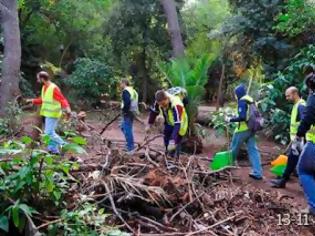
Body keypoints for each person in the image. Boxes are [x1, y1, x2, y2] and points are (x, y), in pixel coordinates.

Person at [26, 71, 71, 154]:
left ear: (42, 79)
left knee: (48, 133)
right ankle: (53, 150)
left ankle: (64, 145)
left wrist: (68, 109)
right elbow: (43, 100)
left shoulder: (53, 88)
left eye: (38, 78)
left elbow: (62, 99)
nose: (37, 80)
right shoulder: (44, 87)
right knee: (51, 132)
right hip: (47, 114)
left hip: (53, 114)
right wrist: (32, 100)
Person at [226, 84, 263, 180]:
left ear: (238, 93)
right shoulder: (250, 100)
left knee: (233, 148)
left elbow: (242, 117)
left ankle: (226, 167)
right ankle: (258, 172)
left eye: (235, 94)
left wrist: (230, 119)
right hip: (251, 128)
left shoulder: (242, 101)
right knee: (253, 150)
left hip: (242, 129)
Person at [271, 87, 306, 188]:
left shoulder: (301, 106)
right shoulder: (297, 105)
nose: (287, 98)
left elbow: (305, 122)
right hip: (297, 139)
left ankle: (284, 180)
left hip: (300, 139)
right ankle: (284, 179)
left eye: (288, 95)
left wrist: (299, 135)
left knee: (294, 160)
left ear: (295, 94)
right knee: (293, 160)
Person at [294, 73, 315, 216]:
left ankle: (313, 206)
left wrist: (298, 136)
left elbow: (307, 118)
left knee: (303, 170)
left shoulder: (313, 98)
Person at [146, 90, 188, 157]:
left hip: (180, 125)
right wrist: (149, 124)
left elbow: (177, 124)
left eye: (164, 104)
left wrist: (172, 141)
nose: (162, 107)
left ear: (167, 99)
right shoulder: (159, 101)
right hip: (168, 123)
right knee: (166, 142)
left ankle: (175, 162)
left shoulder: (177, 104)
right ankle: (167, 159)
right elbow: (154, 112)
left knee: (174, 145)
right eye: (160, 105)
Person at [120, 79, 139, 152]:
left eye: (121, 83)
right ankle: (129, 144)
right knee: (123, 127)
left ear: (124, 83)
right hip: (132, 111)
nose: (120, 85)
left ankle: (130, 146)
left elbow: (127, 102)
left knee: (127, 129)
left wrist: (125, 111)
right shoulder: (133, 91)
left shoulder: (126, 91)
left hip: (128, 112)